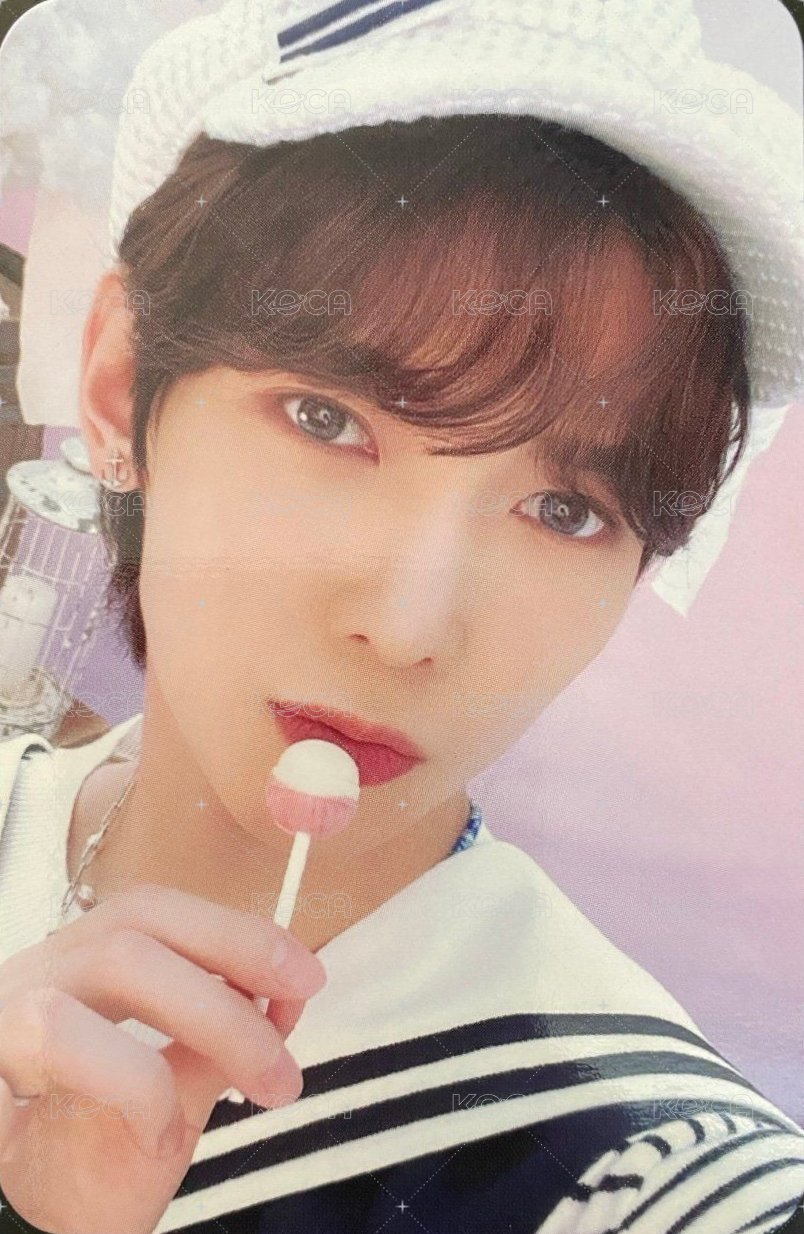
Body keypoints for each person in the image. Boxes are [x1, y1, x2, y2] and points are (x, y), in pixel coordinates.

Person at [1, 1, 803, 1232]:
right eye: (328, 420)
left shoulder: (659, 1178)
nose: (408, 625)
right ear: (117, 387)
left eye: (564, 509)